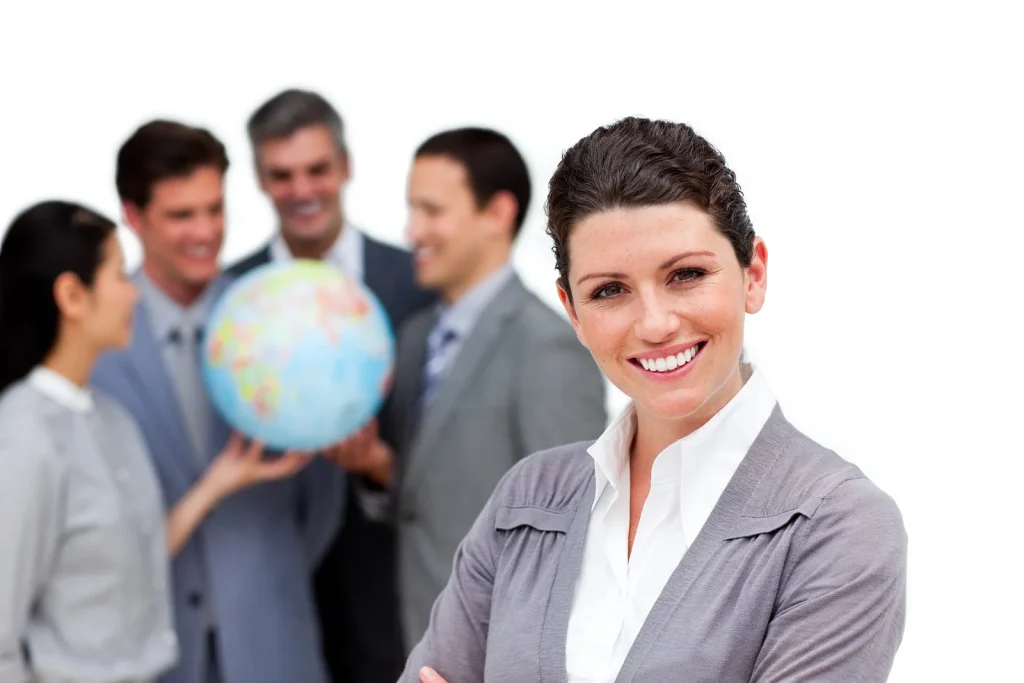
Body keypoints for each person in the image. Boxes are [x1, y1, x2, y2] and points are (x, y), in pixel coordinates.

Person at [400, 117, 908, 683]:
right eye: (609, 291)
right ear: (573, 313)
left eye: (686, 274)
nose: (656, 323)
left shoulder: (836, 526)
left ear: (753, 274)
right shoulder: (525, 503)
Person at [0, 201, 307, 683]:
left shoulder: (112, 418)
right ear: (72, 295)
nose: (135, 295)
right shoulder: (23, 438)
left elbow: (137, 552)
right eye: (121, 277)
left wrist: (216, 485)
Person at [329, 127, 608, 652]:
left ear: (497, 214)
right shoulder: (414, 338)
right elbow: (430, 498)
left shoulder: (547, 347)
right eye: (411, 210)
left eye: (432, 211)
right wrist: (379, 469)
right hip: (422, 641)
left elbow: (577, 534)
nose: (412, 231)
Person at [90, 120, 343, 683]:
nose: (205, 232)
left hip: (273, 643)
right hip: (149, 650)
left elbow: (321, 498)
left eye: (215, 209)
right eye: (182, 215)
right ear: (133, 217)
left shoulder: (280, 322)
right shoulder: (95, 345)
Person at [225, 89, 436, 683]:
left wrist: (380, 467)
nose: (303, 190)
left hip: (392, 587)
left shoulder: (416, 281)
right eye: (282, 174)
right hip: (269, 583)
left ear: (346, 167)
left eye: (318, 169)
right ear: (260, 180)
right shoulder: (230, 299)